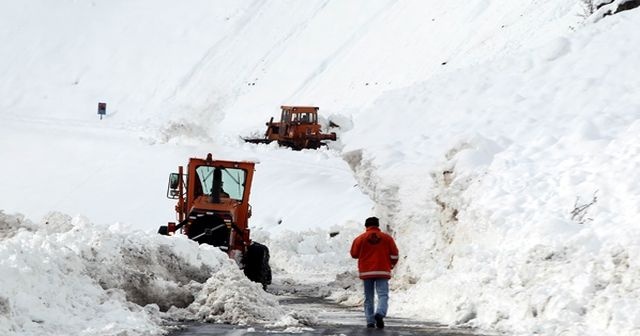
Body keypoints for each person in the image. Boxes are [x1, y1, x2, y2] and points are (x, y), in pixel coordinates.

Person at [350, 216, 399, 329]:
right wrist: (391, 264)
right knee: (383, 295)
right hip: (383, 270)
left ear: (366, 226)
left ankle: (370, 321)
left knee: (369, 297)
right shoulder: (387, 238)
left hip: (366, 272)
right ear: (377, 225)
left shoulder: (360, 239)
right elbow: (395, 254)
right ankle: (380, 314)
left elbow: (354, 254)